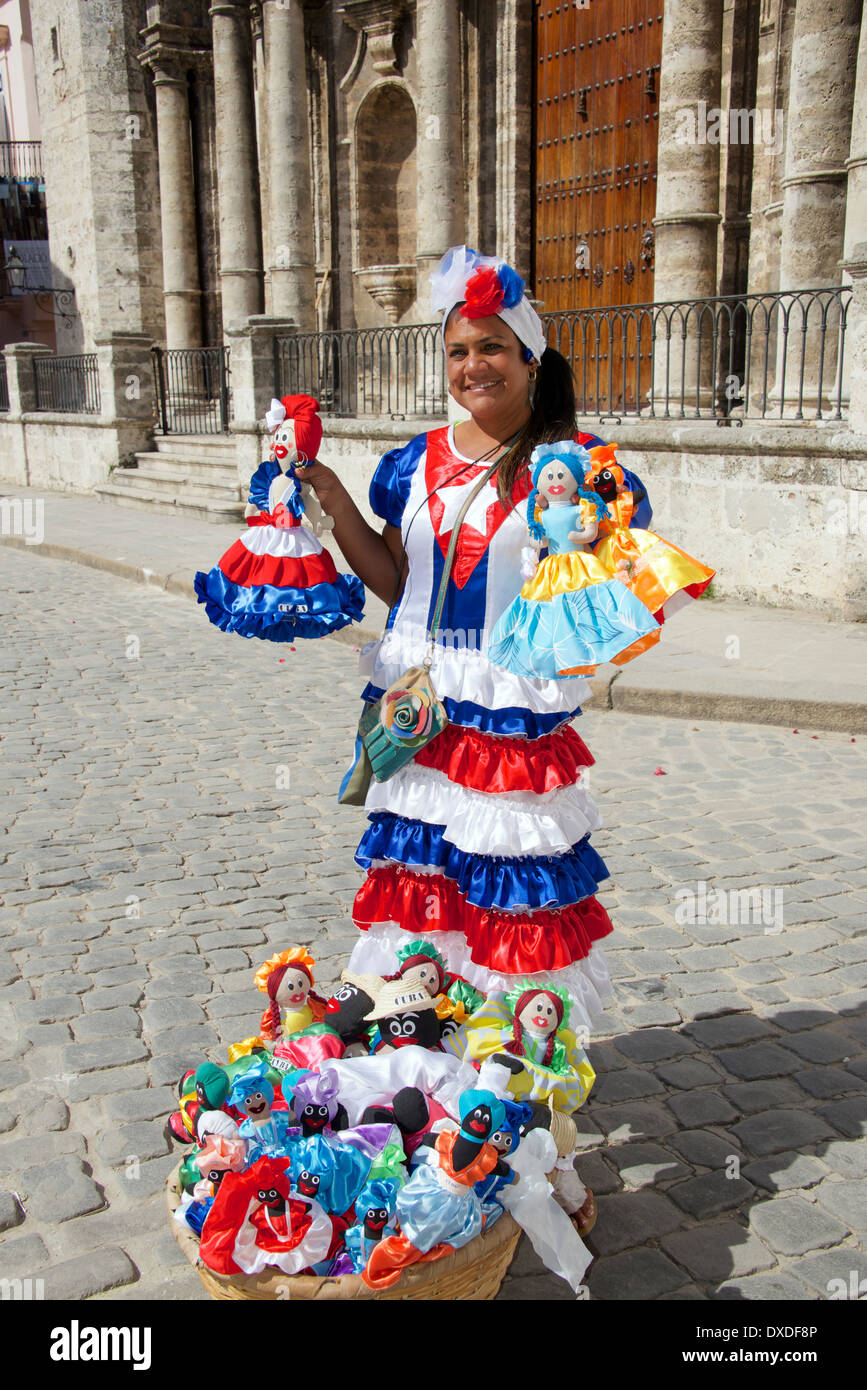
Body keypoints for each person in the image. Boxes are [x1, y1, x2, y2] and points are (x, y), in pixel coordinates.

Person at [295, 246, 647, 1039]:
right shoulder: (413, 463)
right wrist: (330, 492)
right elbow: (393, 577)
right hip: (416, 692)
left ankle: (516, 1047)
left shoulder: (569, 464)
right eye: (457, 350)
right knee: (423, 869)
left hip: (504, 699)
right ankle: (419, 1025)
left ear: (529, 359)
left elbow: (607, 582)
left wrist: (590, 540)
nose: (472, 365)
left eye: (491, 346)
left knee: (505, 873)